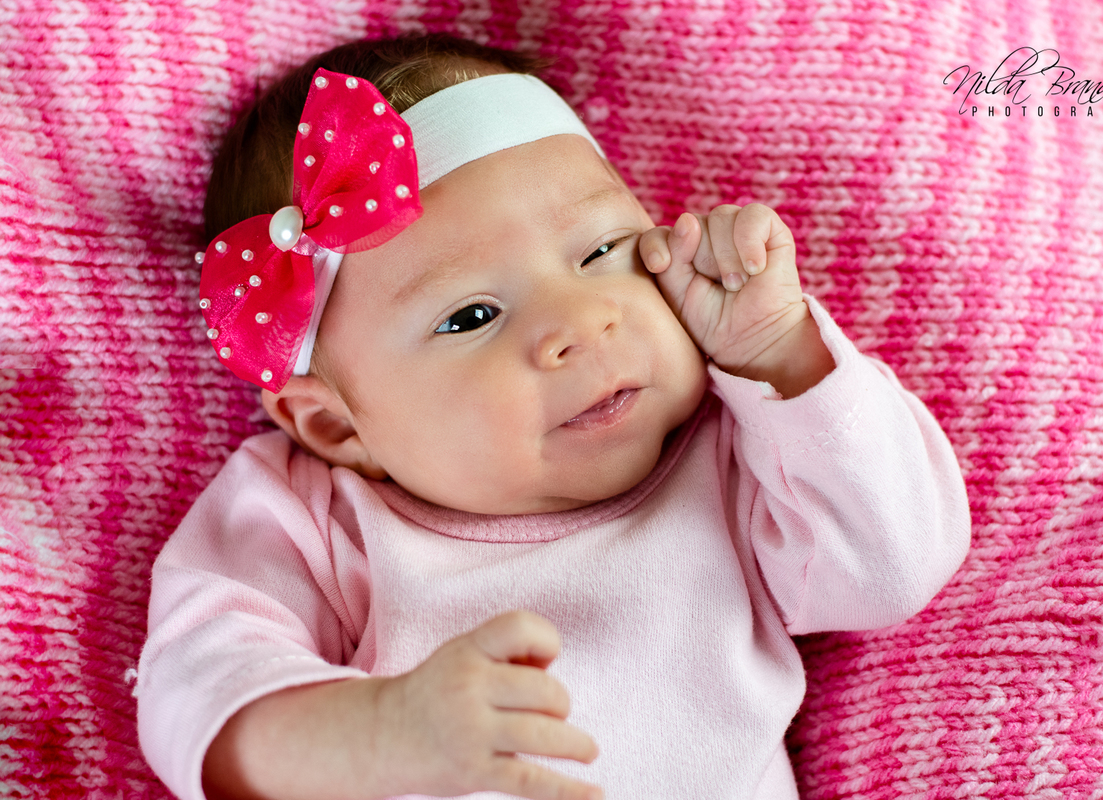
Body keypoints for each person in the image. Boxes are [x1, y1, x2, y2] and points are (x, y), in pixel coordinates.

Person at [137, 33, 971, 800]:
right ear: (338, 428)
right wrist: (374, 733)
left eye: (599, 251)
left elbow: (891, 566)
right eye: (472, 316)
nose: (579, 322)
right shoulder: (312, 519)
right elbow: (195, 686)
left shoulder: (736, 451)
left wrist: (780, 353)